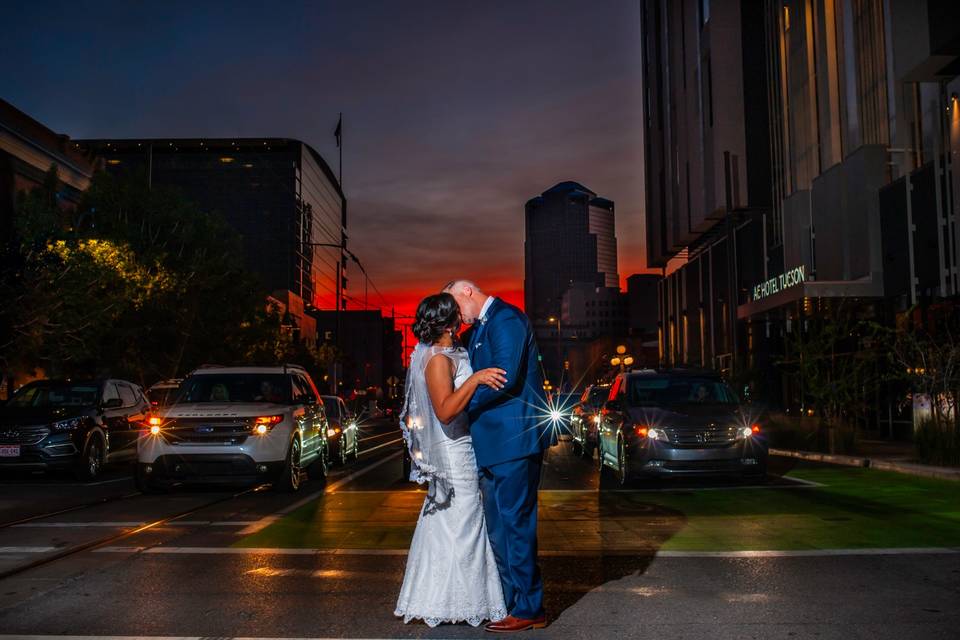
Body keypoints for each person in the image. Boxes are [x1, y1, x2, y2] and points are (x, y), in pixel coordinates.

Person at [443, 279, 555, 633]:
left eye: (456, 307)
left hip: (513, 441)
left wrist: (458, 407)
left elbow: (503, 377)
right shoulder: (481, 328)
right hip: (493, 443)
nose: (456, 318)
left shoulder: (506, 319)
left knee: (515, 524)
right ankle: (510, 602)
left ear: (467, 292)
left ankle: (529, 607)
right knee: (497, 527)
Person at [395, 292, 509, 628]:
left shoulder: (449, 351)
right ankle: (458, 602)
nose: (463, 317)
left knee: (451, 522)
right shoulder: (436, 359)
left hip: (464, 444)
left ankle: (446, 598)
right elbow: (444, 411)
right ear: (449, 321)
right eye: (458, 314)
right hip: (452, 448)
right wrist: (474, 379)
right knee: (463, 523)